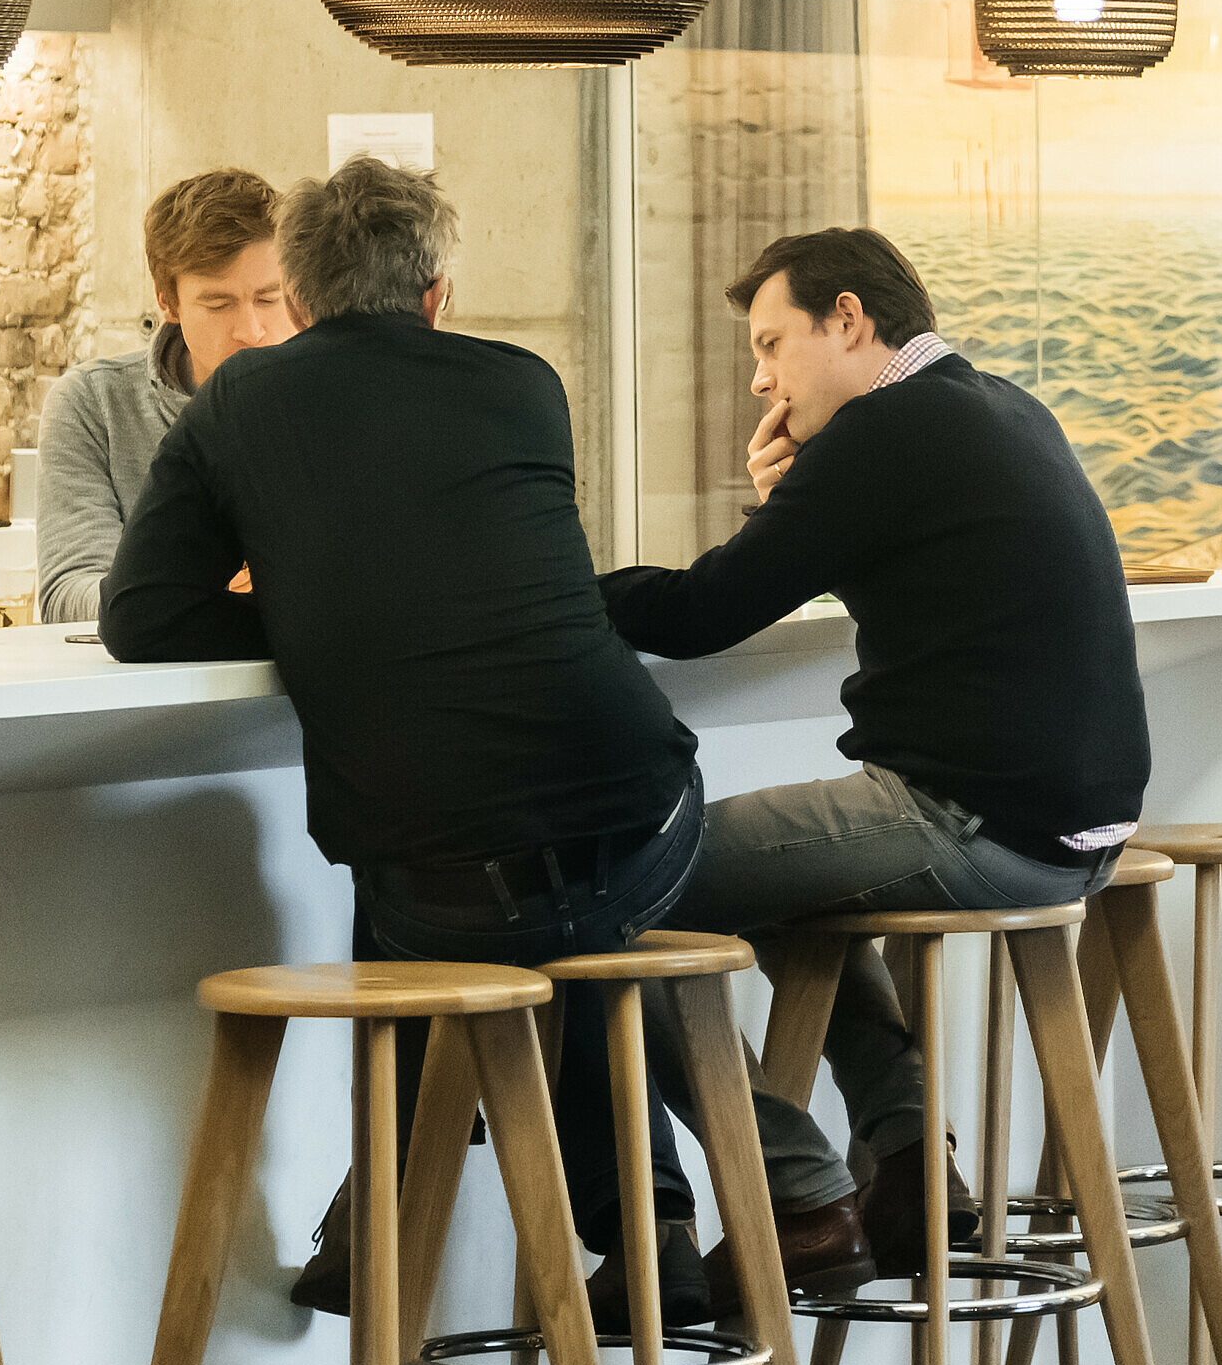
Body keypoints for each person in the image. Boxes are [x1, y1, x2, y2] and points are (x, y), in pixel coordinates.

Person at [98, 160, 703, 1298]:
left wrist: (320, 609)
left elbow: (139, 618)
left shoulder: (240, 402)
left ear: (305, 298)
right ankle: (647, 1228)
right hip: (646, 814)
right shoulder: (525, 381)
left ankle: (380, 1216)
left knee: (463, 902)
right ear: (437, 292)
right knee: (552, 922)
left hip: (439, 875)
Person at [598, 227, 1150, 1297]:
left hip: (974, 821)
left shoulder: (885, 433)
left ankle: (798, 1193)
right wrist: (791, 504)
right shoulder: (995, 404)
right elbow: (834, 560)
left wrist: (534, 596)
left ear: (847, 319)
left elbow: (704, 611)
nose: (759, 376)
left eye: (771, 343)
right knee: (785, 879)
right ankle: (906, 1166)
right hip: (1081, 834)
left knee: (609, 888)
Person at [34, 167, 299, 622]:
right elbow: (66, 595)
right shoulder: (93, 405)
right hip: (161, 687)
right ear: (167, 302)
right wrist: (214, 592)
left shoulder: (339, 394)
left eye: (269, 298)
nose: (251, 330)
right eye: (218, 304)